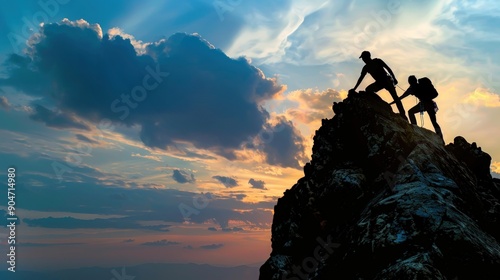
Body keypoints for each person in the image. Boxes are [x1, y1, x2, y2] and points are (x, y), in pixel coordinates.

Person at [351, 51, 407, 120]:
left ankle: (403, 115)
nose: (363, 60)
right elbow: (360, 79)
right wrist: (354, 88)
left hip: (387, 81)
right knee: (368, 90)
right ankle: (380, 102)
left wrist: (394, 78)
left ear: (367, 57)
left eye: (363, 58)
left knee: (395, 98)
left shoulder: (377, 61)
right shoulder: (366, 67)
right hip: (379, 83)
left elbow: (388, 68)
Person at [391, 75, 443, 139]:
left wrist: (392, 103)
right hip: (429, 104)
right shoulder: (418, 86)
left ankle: (414, 128)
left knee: (411, 112)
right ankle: (441, 138)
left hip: (425, 104)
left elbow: (402, 97)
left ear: (410, 82)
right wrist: (392, 103)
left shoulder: (412, 88)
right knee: (434, 122)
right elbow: (402, 97)